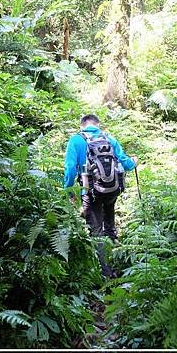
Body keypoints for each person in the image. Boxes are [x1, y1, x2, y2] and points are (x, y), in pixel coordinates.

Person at [64, 114, 138, 277]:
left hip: (90, 192)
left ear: (82, 125)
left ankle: (105, 272)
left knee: (96, 231)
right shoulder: (109, 138)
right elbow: (126, 164)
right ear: (98, 125)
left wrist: (69, 191)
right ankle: (119, 261)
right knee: (109, 224)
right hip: (112, 190)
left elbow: (70, 169)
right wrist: (134, 162)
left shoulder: (76, 140)